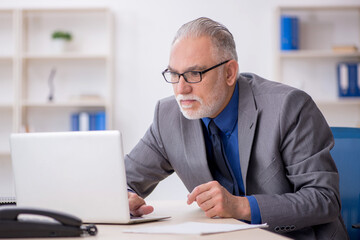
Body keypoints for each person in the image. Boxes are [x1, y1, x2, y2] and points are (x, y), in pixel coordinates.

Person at [125, 17, 348, 239]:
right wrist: (124, 198)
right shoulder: (168, 117)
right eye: (174, 74)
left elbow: (324, 199)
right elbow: (122, 179)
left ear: (229, 73)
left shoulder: (288, 107)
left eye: (194, 74)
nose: (181, 88)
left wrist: (241, 207)